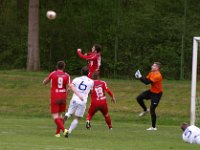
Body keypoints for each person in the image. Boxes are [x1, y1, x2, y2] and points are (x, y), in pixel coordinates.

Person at [43, 61, 82, 138]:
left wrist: (44, 81)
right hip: (63, 97)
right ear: (64, 67)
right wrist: (78, 94)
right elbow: (71, 86)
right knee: (60, 115)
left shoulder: (53, 74)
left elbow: (45, 82)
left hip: (55, 96)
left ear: (57, 66)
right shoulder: (67, 75)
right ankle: (57, 133)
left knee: (55, 116)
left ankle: (64, 130)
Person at [64, 66, 94, 137]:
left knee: (69, 113)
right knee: (77, 117)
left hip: (74, 99)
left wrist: (65, 96)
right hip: (82, 101)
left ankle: (66, 117)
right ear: (88, 73)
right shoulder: (91, 82)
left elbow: (69, 88)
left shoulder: (76, 79)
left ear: (81, 72)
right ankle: (69, 131)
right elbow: (91, 92)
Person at [135, 62, 163, 131]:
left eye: (154, 65)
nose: (152, 66)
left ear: (157, 68)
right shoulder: (151, 73)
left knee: (152, 109)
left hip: (157, 94)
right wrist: (140, 77)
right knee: (139, 98)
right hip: (151, 91)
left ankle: (153, 127)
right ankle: (145, 110)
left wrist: (140, 76)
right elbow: (146, 80)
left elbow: (147, 82)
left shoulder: (158, 75)